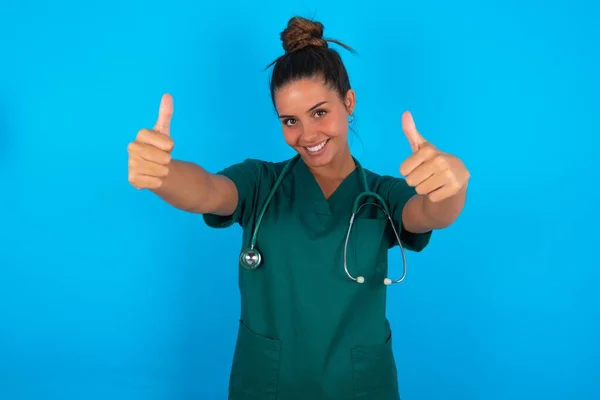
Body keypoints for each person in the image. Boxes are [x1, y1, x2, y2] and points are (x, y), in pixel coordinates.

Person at [127, 15, 470, 400]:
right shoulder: (259, 183)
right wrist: (165, 175)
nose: (306, 135)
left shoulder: (381, 195)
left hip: (357, 386)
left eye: (320, 112)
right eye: (290, 120)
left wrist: (453, 187)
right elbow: (207, 191)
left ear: (349, 102)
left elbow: (430, 214)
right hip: (269, 385)